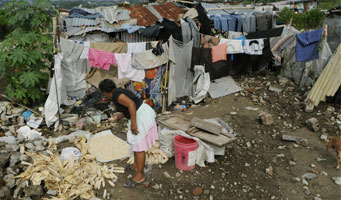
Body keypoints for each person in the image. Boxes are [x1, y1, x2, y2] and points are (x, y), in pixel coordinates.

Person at [99, 79, 158, 188]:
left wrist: (134, 124)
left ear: (105, 92)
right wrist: (118, 117)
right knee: (136, 144)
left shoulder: (117, 95)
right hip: (140, 113)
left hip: (141, 116)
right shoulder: (117, 92)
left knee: (139, 146)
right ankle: (136, 165)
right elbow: (128, 107)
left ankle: (140, 176)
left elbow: (131, 105)